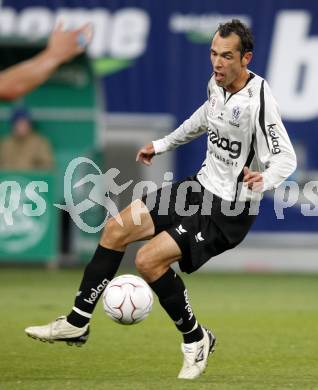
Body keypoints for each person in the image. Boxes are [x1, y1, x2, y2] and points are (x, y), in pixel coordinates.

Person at [25, 20, 297, 380]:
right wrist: (162, 144)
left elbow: (286, 157)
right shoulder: (217, 85)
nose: (217, 62)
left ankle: (195, 339)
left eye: (226, 56)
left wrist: (266, 178)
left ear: (245, 58)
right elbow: (204, 118)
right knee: (115, 229)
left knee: (149, 260)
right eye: (213, 53)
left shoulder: (259, 101)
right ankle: (77, 322)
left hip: (227, 210)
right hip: (197, 188)